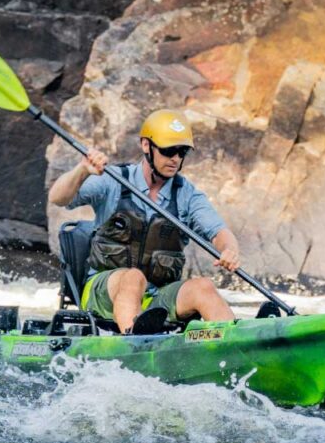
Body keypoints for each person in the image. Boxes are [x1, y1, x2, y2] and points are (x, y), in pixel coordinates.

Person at [48, 109, 241, 334]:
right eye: (169, 150)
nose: (175, 159)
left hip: (156, 298)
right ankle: (135, 343)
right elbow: (58, 198)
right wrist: (82, 170)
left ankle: (232, 343)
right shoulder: (113, 180)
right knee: (133, 278)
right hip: (104, 290)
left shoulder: (187, 195)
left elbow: (219, 233)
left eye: (182, 152)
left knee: (203, 287)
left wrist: (229, 250)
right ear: (146, 146)